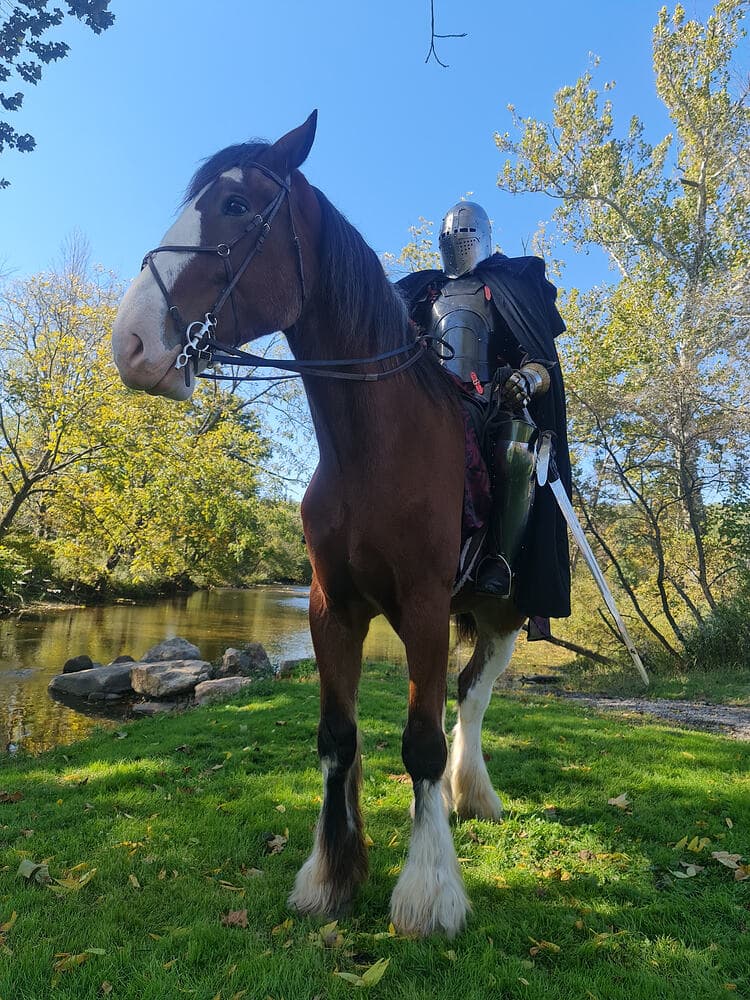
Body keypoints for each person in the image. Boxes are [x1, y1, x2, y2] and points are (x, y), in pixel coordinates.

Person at [396, 201, 571, 623]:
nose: (457, 243)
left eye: (465, 235)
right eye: (450, 237)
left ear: (483, 239)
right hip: (429, 395)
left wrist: (524, 380)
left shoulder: (511, 285)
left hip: (490, 400)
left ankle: (500, 560)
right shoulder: (422, 291)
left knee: (517, 450)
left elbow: (540, 362)